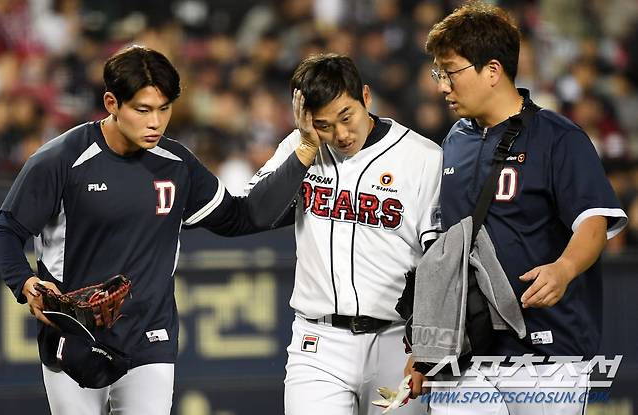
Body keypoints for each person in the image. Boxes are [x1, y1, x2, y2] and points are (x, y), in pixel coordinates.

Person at [0, 45, 321, 415]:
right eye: (143, 109)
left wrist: (304, 154)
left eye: (164, 109)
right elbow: (5, 233)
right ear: (112, 102)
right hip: (75, 333)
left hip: (150, 336)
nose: (156, 122)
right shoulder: (61, 160)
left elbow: (242, 217)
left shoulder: (177, 164)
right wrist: (26, 284)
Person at [404, 2, 628, 414]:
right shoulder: (454, 140)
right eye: (439, 74)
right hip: (470, 349)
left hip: (549, 349)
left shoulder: (558, 138)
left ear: (492, 70)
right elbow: (448, 253)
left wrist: (564, 268)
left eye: (449, 72)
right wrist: (427, 348)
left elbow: (593, 223)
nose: (441, 86)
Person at [246, 53, 443, 414]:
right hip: (318, 341)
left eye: (346, 117)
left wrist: (426, 347)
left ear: (366, 97)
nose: (340, 134)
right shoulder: (299, 148)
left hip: (396, 339)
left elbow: (438, 261)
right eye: (323, 125)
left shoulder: (422, 157)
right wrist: (306, 146)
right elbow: (257, 212)